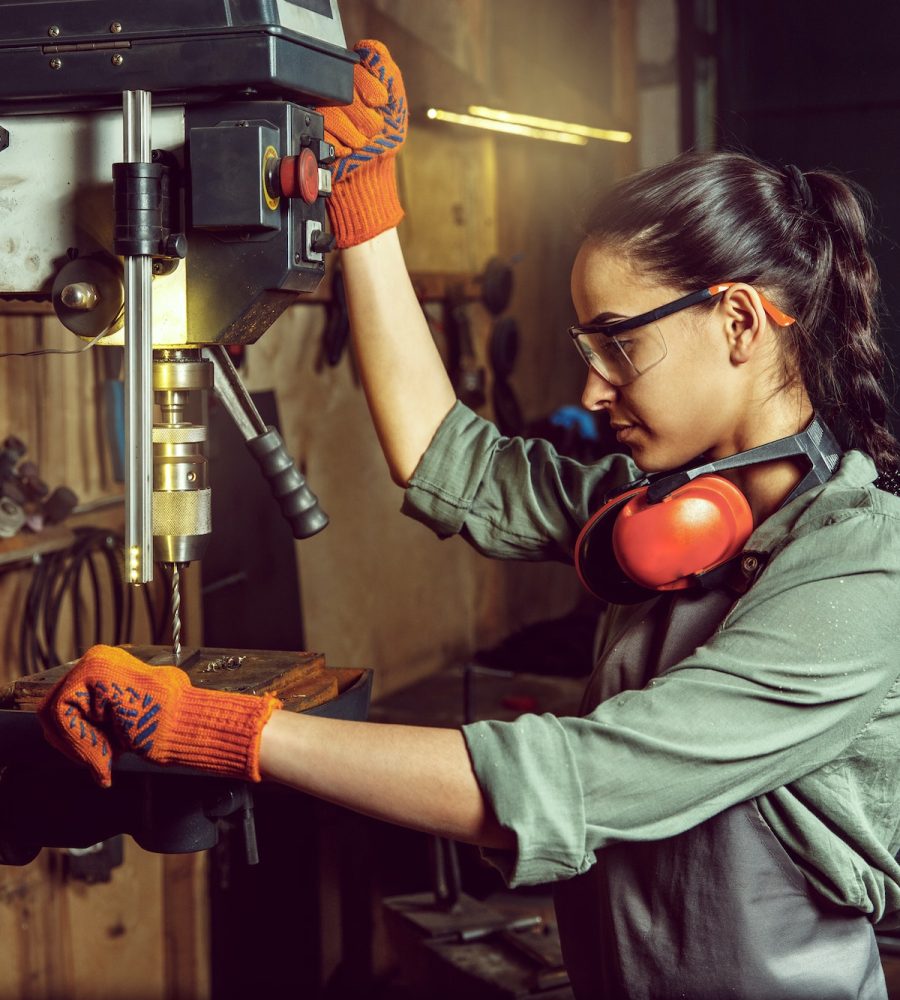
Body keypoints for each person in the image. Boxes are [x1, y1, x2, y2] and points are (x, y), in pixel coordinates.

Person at [38, 41, 900, 1000]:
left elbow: (574, 779)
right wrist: (363, 211)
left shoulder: (866, 574)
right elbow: (450, 459)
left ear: (739, 321)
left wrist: (224, 729)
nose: (590, 385)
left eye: (619, 345)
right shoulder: (663, 512)